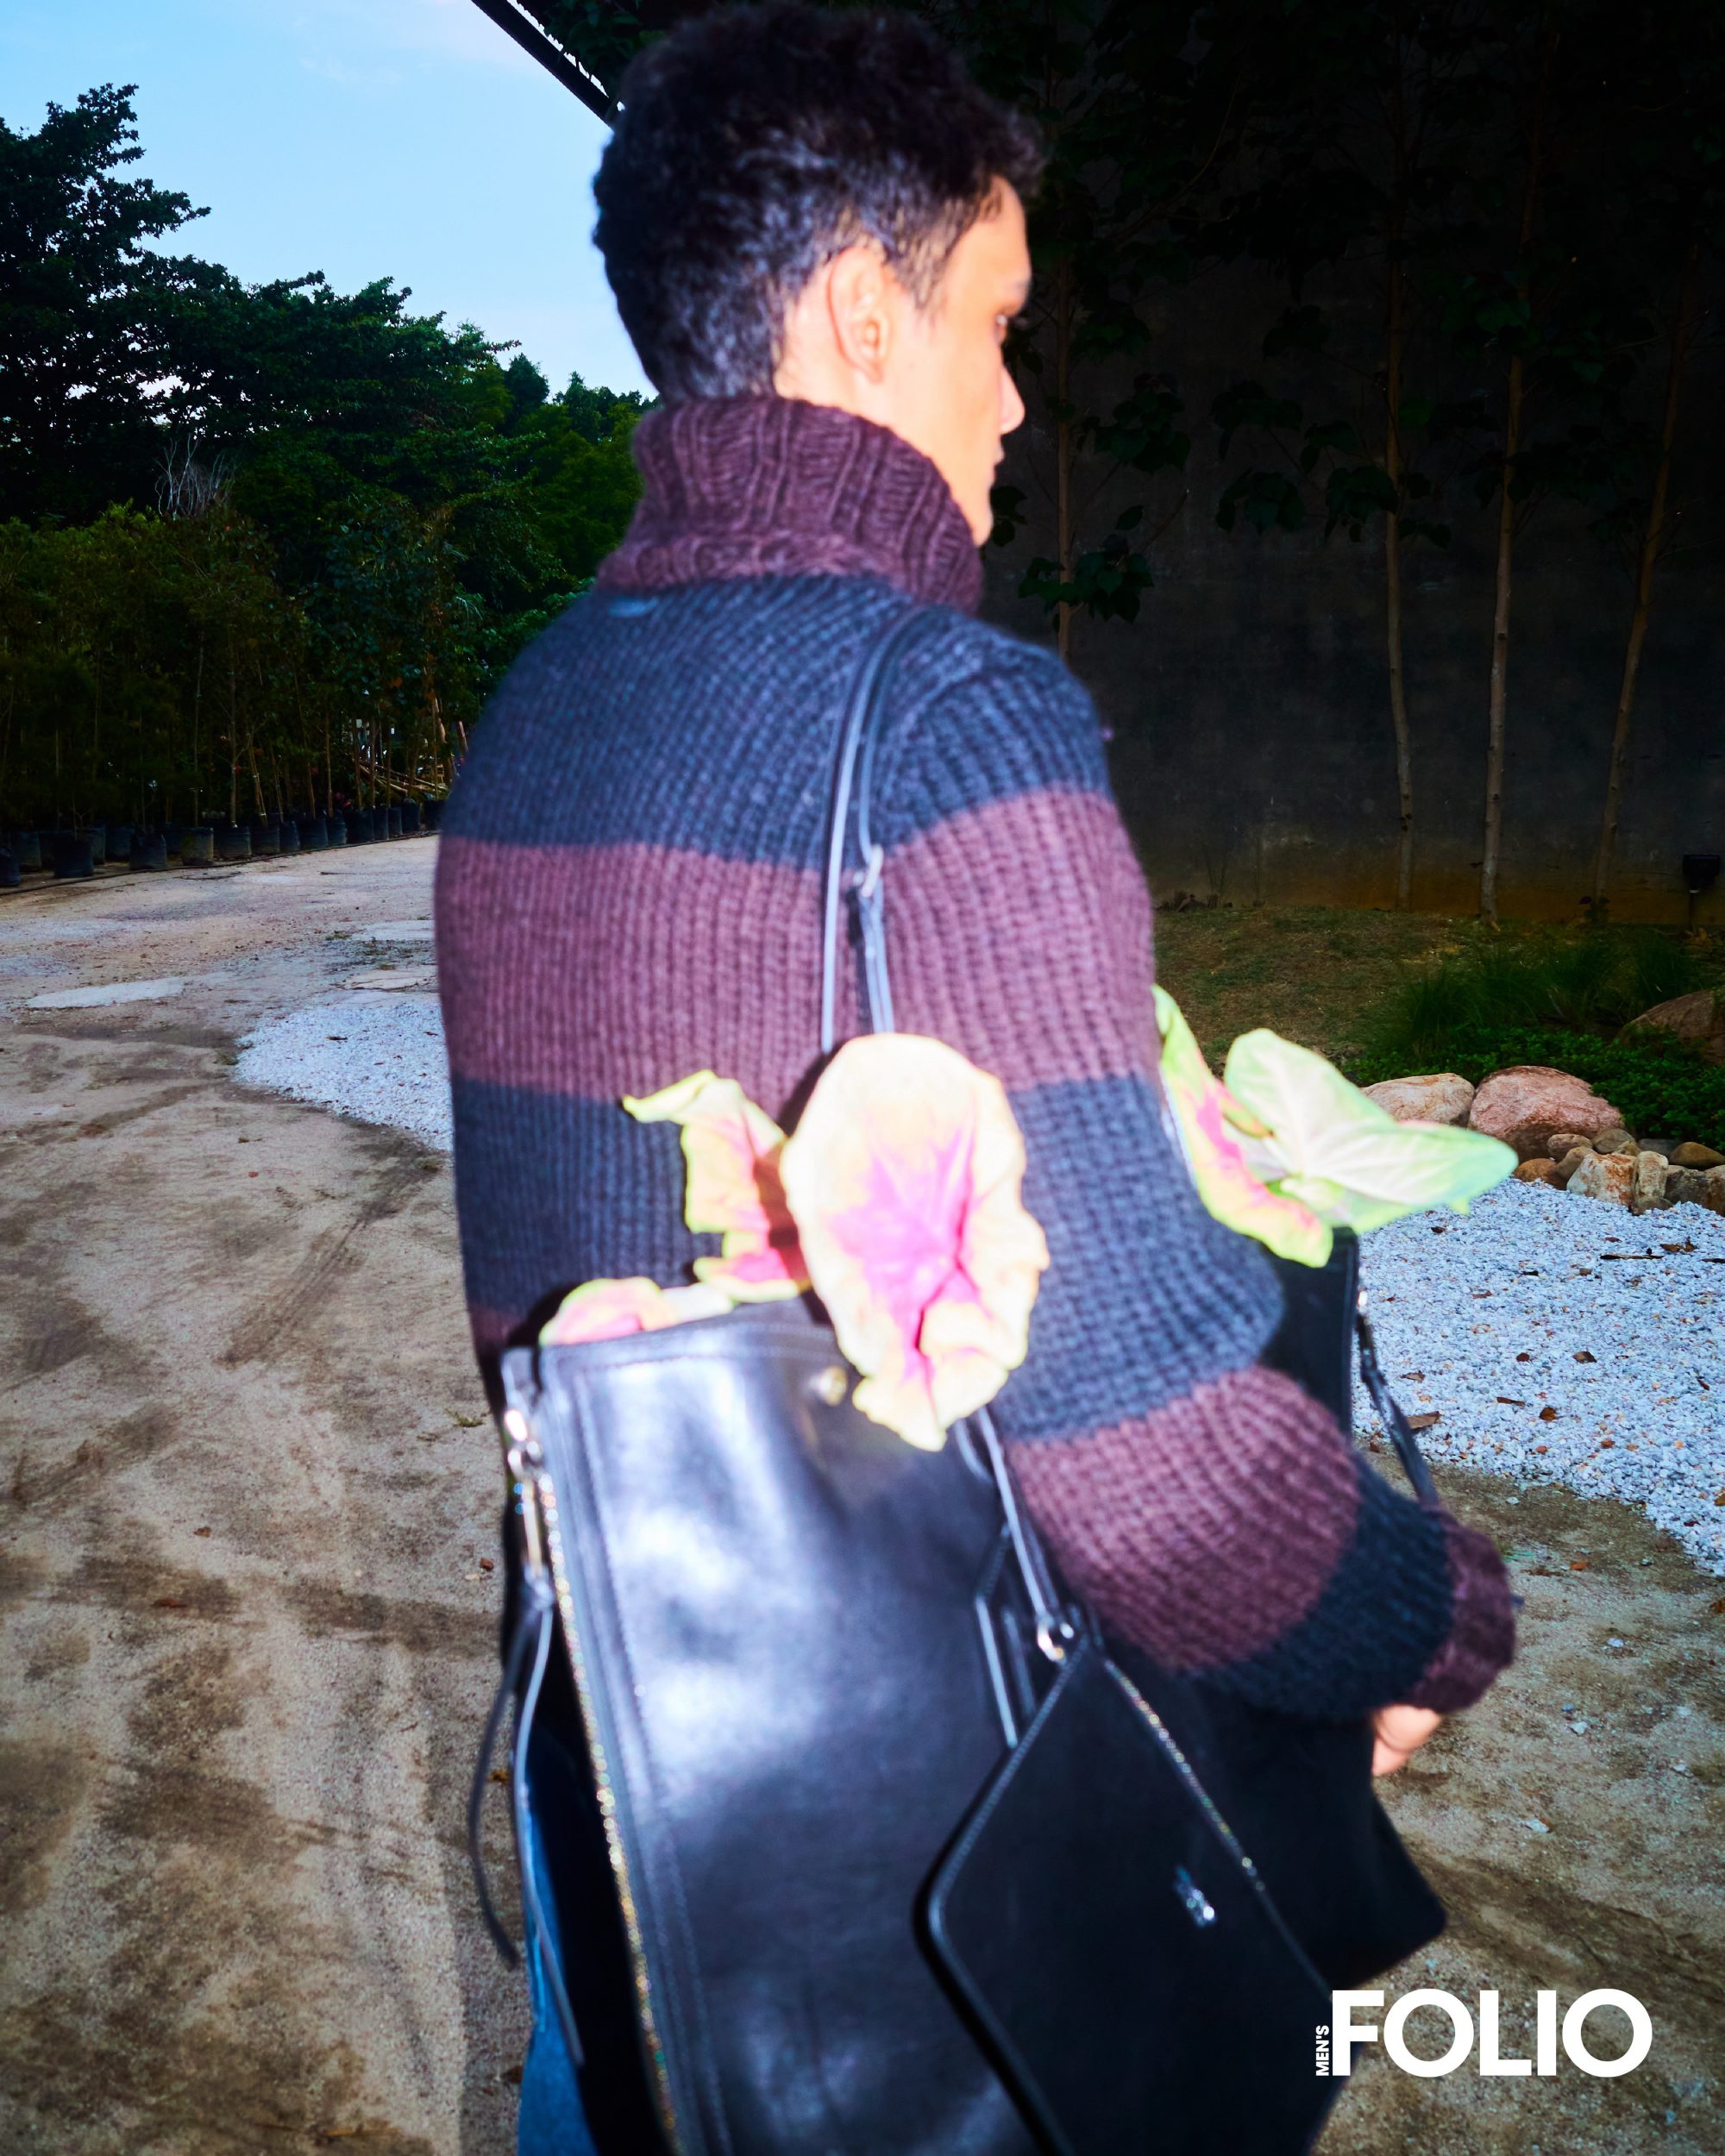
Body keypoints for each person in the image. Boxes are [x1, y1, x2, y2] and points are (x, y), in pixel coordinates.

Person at [435, 7, 1515, 2146]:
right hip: (920, 1854)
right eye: (999, 325)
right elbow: (1157, 1477)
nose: (1016, 402)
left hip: (621, 1759)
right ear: (863, 310)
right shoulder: (947, 719)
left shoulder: (537, 708)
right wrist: (1430, 1608)